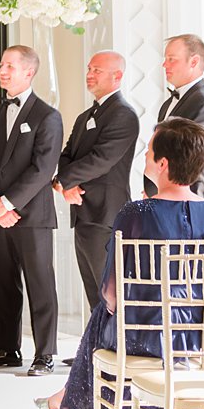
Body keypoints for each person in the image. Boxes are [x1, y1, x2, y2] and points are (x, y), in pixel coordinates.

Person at [39, 118, 204, 409]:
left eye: (149, 149)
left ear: (163, 164)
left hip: (146, 337)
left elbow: (112, 293)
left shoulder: (136, 212)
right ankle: (67, 399)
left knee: (103, 311)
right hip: (195, 338)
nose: (144, 153)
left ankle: (74, 402)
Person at [0, 45, 64, 377]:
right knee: (5, 285)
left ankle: (45, 353)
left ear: (29, 71)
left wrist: (8, 203)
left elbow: (42, 169)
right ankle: (7, 349)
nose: (2, 70)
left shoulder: (48, 116)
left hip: (33, 217)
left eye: (9, 65)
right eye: (1, 64)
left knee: (40, 285)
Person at [53, 51, 141, 313]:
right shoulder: (84, 116)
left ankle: (114, 349)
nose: (89, 75)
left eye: (97, 71)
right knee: (93, 291)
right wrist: (66, 184)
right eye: (89, 69)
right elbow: (66, 154)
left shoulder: (124, 114)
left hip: (105, 213)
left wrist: (64, 182)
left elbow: (102, 159)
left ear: (118, 76)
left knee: (109, 293)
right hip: (82, 211)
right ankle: (95, 350)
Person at [155, 34, 204, 205]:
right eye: (166, 59)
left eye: (172, 59)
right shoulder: (167, 104)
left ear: (193, 62)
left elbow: (188, 155)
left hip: (198, 200)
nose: (165, 65)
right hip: (171, 198)